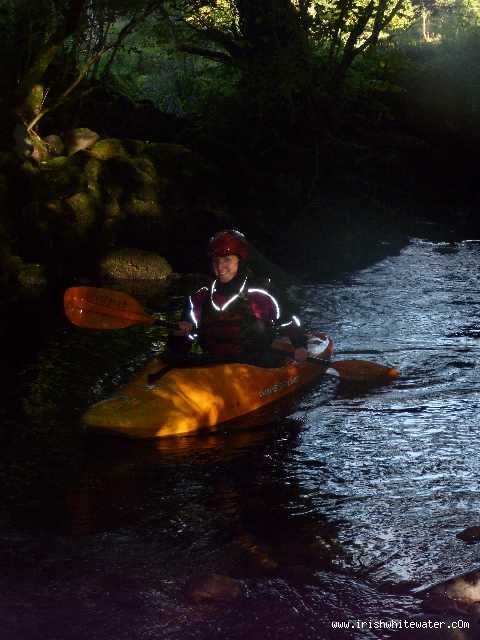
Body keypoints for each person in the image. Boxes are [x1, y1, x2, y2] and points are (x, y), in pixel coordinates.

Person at [166, 229, 309, 366]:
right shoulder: (200, 297)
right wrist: (178, 335)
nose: (220, 267)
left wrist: (300, 345)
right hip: (212, 364)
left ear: (239, 262)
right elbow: (180, 347)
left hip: (256, 365)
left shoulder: (260, 293)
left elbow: (288, 322)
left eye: (227, 260)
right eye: (216, 260)